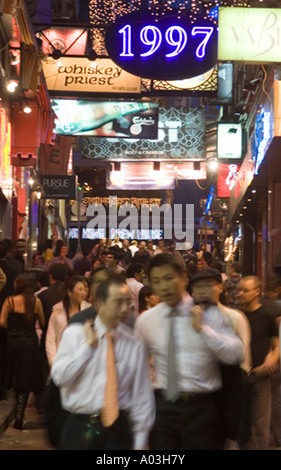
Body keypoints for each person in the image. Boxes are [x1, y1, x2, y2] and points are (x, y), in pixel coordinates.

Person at [135, 254, 244, 450]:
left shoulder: (208, 312)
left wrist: (204, 331)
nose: (164, 287)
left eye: (169, 278)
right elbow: (138, 370)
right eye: (157, 281)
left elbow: (234, 354)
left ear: (184, 278)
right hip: (163, 409)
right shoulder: (146, 320)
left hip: (201, 410)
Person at [51, 277, 155, 450]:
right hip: (80, 426)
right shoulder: (75, 334)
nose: (124, 309)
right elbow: (61, 378)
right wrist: (87, 349)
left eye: (127, 302)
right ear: (99, 304)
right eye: (117, 302)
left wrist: (140, 440)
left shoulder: (134, 343)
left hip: (118, 429)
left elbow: (141, 395)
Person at [237, 275, 280, 450]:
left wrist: (272, 359)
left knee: (260, 424)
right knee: (242, 425)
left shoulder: (267, 314)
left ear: (256, 292)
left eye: (245, 290)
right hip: (240, 376)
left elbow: (276, 342)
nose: (240, 294)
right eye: (239, 290)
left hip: (260, 376)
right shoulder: (236, 316)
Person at [0, 274, 45, 429]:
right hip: (29, 344)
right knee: (26, 379)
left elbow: (2, 322)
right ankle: (19, 414)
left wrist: (13, 330)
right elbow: (43, 321)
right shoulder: (35, 301)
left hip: (13, 343)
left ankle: (18, 414)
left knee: (15, 376)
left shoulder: (9, 301)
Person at [45, 275, 90, 368]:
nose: (83, 293)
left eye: (85, 289)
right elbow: (50, 339)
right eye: (80, 289)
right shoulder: (57, 312)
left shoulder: (88, 311)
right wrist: (52, 362)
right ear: (69, 292)